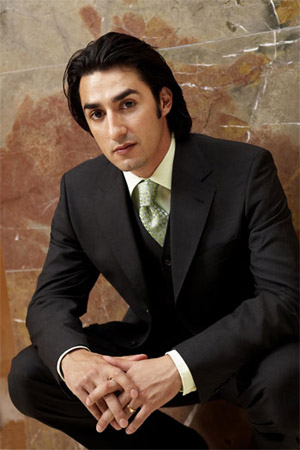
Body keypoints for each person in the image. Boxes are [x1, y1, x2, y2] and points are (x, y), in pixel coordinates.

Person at [8, 32, 299, 450]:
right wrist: (75, 359)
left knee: (291, 375)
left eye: (127, 104)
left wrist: (176, 368)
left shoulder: (245, 170)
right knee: (30, 373)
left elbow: (284, 298)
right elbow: (51, 300)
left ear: (163, 101)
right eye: (96, 114)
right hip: (146, 347)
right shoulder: (81, 189)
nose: (115, 129)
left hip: (241, 353)